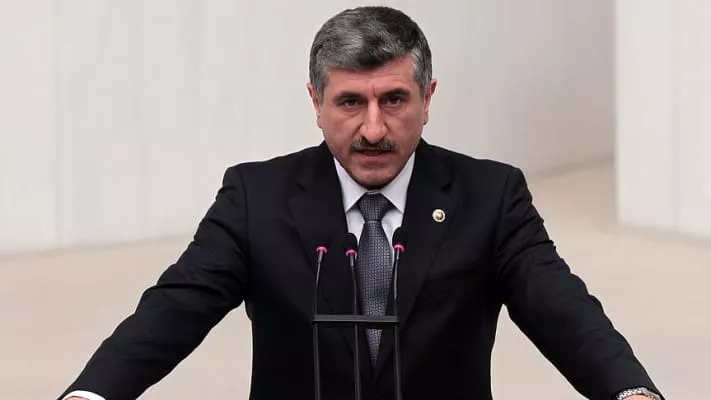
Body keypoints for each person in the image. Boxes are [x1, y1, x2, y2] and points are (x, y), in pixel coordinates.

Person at [61, 6, 663, 400]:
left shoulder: (491, 195)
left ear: (428, 97)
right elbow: (173, 309)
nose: (374, 129)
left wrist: (630, 392)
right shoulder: (255, 196)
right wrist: (92, 394)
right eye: (350, 103)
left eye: (394, 100)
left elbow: (562, 309)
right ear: (315, 102)